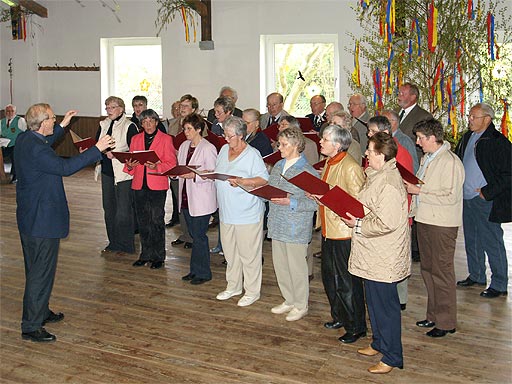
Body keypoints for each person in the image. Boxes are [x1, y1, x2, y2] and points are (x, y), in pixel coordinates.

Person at [15, 103, 112, 342]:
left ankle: (39, 310)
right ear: (42, 123)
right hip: (43, 221)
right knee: (41, 272)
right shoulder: (39, 150)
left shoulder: (25, 139)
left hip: (30, 217)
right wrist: (96, 149)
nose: (54, 120)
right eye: (52, 119)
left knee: (36, 269)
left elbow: (45, 142)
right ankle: (31, 326)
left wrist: (62, 126)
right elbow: (66, 167)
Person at [344, 132, 410, 374]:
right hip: (373, 252)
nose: (366, 154)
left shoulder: (390, 182)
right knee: (374, 302)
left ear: (382, 155)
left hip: (385, 255)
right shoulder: (376, 175)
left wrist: (357, 225)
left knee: (386, 307)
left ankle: (392, 356)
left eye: (370, 151)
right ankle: (379, 343)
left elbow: (388, 222)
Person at [405, 118, 464, 338]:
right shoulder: (428, 158)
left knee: (442, 273)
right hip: (426, 219)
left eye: (421, 138)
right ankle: (433, 314)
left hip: (442, 224)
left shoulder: (450, 161)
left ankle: (446, 322)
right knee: (428, 271)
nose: (418, 142)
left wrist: (419, 191)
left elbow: (450, 196)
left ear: (432, 138)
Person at [311, 124, 367, 343]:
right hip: (329, 229)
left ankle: (356, 326)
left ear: (337, 144)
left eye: (324, 139)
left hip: (344, 232)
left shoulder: (351, 167)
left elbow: (358, 203)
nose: (320, 142)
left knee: (347, 283)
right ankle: (340, 316)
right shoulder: (329, 162)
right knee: (330, 278)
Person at [455, 103, 511, 297]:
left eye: (474, 117)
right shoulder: (467, 137)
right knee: (472, 239)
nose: (469, 119)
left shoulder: (497, 141)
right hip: (467, 198)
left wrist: (487, 192)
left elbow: (508, 174)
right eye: (469, 116)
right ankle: (477, 275)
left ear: (487, 119)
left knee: (492, 241)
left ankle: (499, 284)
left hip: (485, 200)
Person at [214, 116, 269, 307]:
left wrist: (242, 181)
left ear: (241, 135)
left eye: (229, 136)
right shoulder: (223, 150)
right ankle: (234, 286)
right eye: (225, 135)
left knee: (249, 255)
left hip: (247, 212)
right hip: (227, 212)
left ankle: (252, 291)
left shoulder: (252, 154)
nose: (226, 139)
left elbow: (263, 180)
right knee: (230, 253)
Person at [268, 127, 318, 321]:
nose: (279, 147)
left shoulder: (307, 170)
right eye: (279, 143)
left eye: (283, 144)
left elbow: (315, 203)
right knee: (280, 265)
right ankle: (289, 299)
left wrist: (292, 201)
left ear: (296, 145)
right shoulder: (279, 165)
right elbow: (271, 188)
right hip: (277, 222)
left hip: (295, 225)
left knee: (297, 267)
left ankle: (300, 304)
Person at [367, 115, 414, 311]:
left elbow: (403, 186)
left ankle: (398, 300)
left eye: (372, 131)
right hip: (376, 213)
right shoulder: (376, 156)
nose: (368, 134)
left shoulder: (399, 154)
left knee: (395, 262)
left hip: (393, 216)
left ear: (385, 133)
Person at [125, 109, 176, 270]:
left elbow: (172, 163)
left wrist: (157, 166)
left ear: (156, 122)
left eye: (151, 121)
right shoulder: (135, 139)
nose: (147, 124)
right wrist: (129, 165)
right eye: (144, 121)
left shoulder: (166, 139)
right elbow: (130, 163)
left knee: (156, 220)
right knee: (143, 221)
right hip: (139, 184)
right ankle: (145, 254)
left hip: (157, 184)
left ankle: (158, 256)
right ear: (141, 123)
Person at [177, 114, 218, 284]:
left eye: (189, 129)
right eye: (184, 128)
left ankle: (204, 272)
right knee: (194, 236)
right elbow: (179, 168)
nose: (186, 132)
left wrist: (194, 176)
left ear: (199, 129)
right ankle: (194, 270)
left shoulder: (208, 148)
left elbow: (213, 173)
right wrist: (174, 174)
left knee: (200, 236)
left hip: (201, 199)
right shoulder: (184, 146)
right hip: (186, 197)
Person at [96, 96, 138, 255]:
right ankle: (113, 242)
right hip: (107, 172)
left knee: (123, 211)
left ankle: (126, 244)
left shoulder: (129, 126)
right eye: (107, 107)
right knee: (109, 209)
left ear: (121, 108)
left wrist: (118, 154)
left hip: (123, 174)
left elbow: (135, 151)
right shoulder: (103, 124)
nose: (108, 110)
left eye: (112, 107)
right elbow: (97, 144)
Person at [397, 83, 432, 263]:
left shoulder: (423, 115)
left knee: (414, 206)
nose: (398, 95)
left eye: (402, 93)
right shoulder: (397, 113)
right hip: (398, 165)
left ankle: (417, 249)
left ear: (413, 96)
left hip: (414, 165)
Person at [381, 109, 419, 173]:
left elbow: (414, 167)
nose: (381, 124)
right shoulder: (381, 138)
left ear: (394, 122)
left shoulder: (405, 141)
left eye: (383, 121)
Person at [1, 104, 27, 183]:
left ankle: (15, 176)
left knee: (15, 154)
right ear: (5, 112)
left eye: (12, 111)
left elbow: (26, 133)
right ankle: (2, 175)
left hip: (16, 145)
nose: (10, 113)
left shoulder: (20, 120)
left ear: (15, 112)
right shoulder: (1, 122)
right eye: (8, 111)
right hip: (4, 145)